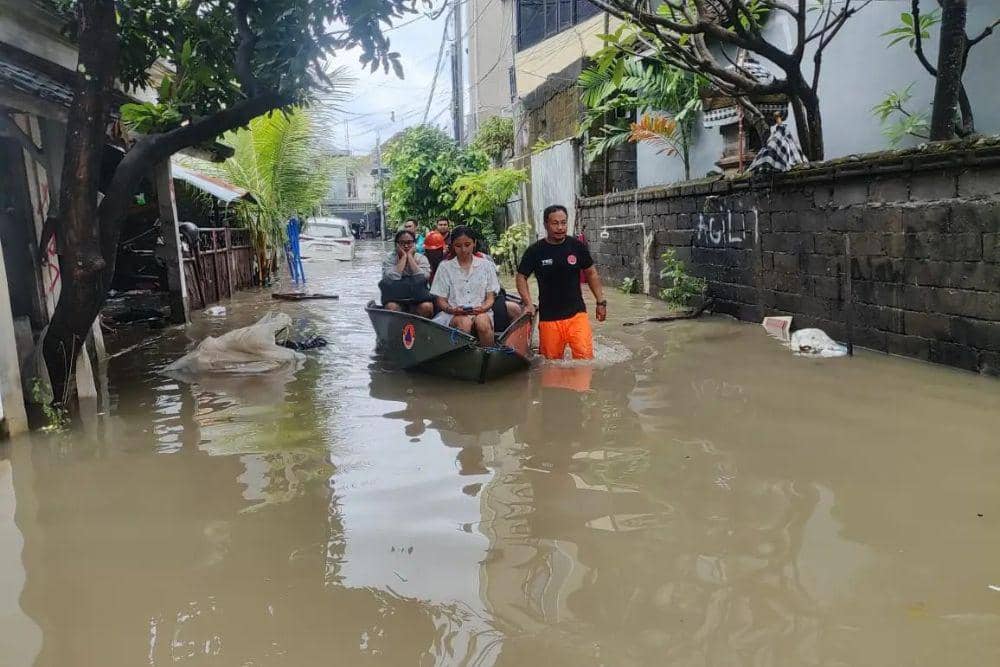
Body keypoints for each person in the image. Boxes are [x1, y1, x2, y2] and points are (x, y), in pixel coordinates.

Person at [516, 204, 606, 360]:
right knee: (551, 365)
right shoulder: (535, 251)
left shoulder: (577, 246)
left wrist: (600, 302)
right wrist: (528, 303)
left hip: (577, 315)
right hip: (549, 318)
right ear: (545, 224)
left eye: (563, 222)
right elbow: (521, 277)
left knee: (585, 361)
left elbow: (591, 272)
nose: (560, 227)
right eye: (555, 223)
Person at [430, 226, 501, 347]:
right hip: (452, 314)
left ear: (474, 243)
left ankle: (489, 356)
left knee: (483, 322)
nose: (463, 249)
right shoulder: (444, 267)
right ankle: (462, 360)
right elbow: (440, 300)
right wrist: (452, 310)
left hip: (481, 311)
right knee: (464, 323)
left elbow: (490, 297)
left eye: (467, 244)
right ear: (452, 246)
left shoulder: (486, 265)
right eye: (458, 246)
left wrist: (483, 308)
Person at [381, 229, 434, 318]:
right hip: (395, 298)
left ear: (414, 244)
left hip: (418, 297)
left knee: (427, 307)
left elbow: (424, 278)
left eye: (409, 243)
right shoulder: (389, 259)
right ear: (396, 244)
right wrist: (404, 258)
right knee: (391, 307)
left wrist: (410, 257)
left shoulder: (421, 258)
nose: (406, 246)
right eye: (402, 243)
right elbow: (390, 278)